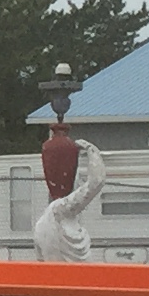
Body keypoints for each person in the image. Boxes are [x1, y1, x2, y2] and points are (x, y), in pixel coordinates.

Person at [33, 112, 104, 263]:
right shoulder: (62, 210)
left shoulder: (42, 224)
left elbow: (40, 263)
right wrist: (92, 151)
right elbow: (96, 181)